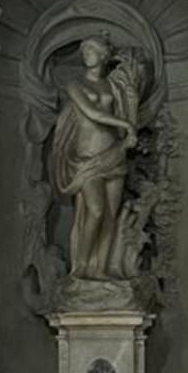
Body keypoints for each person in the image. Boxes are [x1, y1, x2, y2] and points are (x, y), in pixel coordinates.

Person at [50, 36, 140, 280]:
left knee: (110, 214)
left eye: (92, 49)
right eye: (85, 49)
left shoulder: (113, 87)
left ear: (103, 55)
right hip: (87, 157)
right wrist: (126, 124)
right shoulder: (75, 84)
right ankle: (81, 268)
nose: (86, 53)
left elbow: (125, 110)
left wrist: (128, 132)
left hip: (115, 153)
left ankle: (100, 269)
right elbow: (92, 113)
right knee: (96, 210)